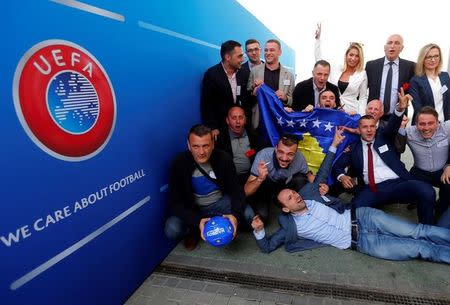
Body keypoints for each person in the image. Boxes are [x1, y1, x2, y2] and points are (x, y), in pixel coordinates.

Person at [252, 184, 450, 264]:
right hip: (363, 243)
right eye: (289, 198)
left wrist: (335, 145)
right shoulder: (289, 227)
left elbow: (325, 169)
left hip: (363, 217)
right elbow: (267, 247)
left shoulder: (312, 195)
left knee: (418, 230)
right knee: (419, 248)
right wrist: (259, 231)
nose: (295, 196)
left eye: (293, 192)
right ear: (285, 209)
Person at [333, 89, 436, 224]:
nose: (369, 130)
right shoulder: (353, 148)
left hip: (398, 184)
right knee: (356, 208)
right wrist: (342, 176)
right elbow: (338, 165)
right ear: (359, 129)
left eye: (372, 127)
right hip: (372, 188)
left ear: (376, 128)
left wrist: (400, 108)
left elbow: (393, 125)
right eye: (365, 127)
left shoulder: (384, 136)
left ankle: (426, 230)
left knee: (427, 191)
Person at [164, 124, 244, 250]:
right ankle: (194, 230)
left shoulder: (224, 159)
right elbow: (175, 203)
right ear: (189, 145)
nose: (201, 152)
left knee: (247, 214)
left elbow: (236, 191)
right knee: (172, 229)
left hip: (219, 203)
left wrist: (234, 215)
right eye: (196, 146)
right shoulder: (179, 163)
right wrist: (197, 221)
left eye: (205, 146)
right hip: (194, 208)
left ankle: (222, 221)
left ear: (213, 144)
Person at [243, 133, 316, 222]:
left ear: (296, 153)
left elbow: (309, 176)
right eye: (281, 152)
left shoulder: (299, 157)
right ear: (276, 148)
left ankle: (297, 208)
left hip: (285, 186)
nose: (284, 158)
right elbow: (246, 191)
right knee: (263, 217)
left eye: (290, 154)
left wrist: (321, 187)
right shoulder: (263, 155)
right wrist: (260, 179)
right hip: (265, 186)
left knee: (301, 178)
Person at [398, 106, 450, 217]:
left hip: (442, 170)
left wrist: (449, 165)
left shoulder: (447, 128)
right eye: (422, 124)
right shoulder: (409, 132)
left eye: (430, 123)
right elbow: (399, 148)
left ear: (438, 122)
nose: (426, 128)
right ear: (416, 124)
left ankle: (439, 210)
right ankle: (418, 206)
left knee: (448, 189)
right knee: (419, 195)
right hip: (419, 172)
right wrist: (401, 127)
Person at [314, 23, 368, 115]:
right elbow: (320, 61)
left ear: (360, 58)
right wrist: (317, 40)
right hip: (332, 111)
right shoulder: (336, 68)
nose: (353, 58)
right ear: (346, 55)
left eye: (357, 56)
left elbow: (363, 97)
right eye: (351, 55)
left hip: (351, 113)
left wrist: (360, 115)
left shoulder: (362, 74)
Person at [200, 40, 248, 138]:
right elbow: (207, 104)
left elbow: (246, 99)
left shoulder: (244, 73)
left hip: (240, 128)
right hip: (220, 129)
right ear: (227, 57)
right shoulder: (211, 74)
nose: (242, 59)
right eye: (239, 56)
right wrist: (212, 127)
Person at [247, 39, 295, 130]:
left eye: (272, 50)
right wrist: (253, 92)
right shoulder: (255, 71)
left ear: (280, 52)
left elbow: (292, 101)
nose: (268, 53)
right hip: (260, 123)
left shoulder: (289, 75)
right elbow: (247, 98)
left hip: (280, 123)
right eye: (266, 50)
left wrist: (285, 98)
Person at [365, 34, 415, 121]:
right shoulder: (371, 66)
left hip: (398, 117)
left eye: (397, 43)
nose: (392, 46)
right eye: (389, 43)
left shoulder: (410, 67)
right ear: (385, 47)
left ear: (401, 48)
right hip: (373, 118)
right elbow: (361, 92)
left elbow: (414, 91)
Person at [215, 106, 265, 187]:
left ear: (245, 120)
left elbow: (261, 150)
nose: (238, 121)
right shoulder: (220, 139)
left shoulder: (253, 136)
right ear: (227, 120)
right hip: (231, 180)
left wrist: (249, 153)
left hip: (252, 177)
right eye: (234, 118)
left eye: (241, 117)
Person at [410, 43, 450, 123]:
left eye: (436, 56)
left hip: (445, 124)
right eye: (429, 57)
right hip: (425, 125)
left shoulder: (445, 76)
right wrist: (433, 122)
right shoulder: (415, 81)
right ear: (423, 59)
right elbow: (418, 107)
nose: (433, 60)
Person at [240, 39, 264, 122]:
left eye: (256, 49)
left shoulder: (268, 69)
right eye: (250, 50)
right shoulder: (239, 70)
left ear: (260, 50)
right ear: (246, 53)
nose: (254, 53)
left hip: (267, 115)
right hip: (247, 117)